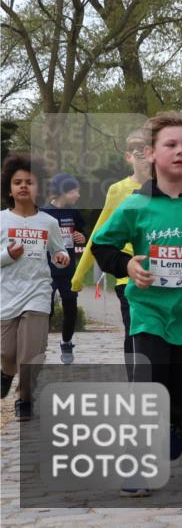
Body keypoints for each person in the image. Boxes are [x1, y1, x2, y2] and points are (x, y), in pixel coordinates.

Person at [90, 112, 182, 497]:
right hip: (149, 311)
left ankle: (175, 423)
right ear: (150, 153)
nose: (179, 151)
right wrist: (126, 264)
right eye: (170, 145)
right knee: (147, 381)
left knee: (181, 389)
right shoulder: (136, 204)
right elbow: (101, 245)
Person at [1, 155, 71, 420]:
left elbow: (58, 250)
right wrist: (8, 254)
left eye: (29, 182)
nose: (23, 186)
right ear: (9, 188)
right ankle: (6, 372)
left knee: (31, 355)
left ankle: (24, 398)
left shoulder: (48, 223)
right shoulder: (1, 221)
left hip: (38, 293)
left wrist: (61, 258)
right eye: (17, 182)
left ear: (38, 188)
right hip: (6, 295)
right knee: (7, 353)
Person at [72, 129, 150, 365]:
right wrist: (79, 275)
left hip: (161, 273)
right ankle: (137, 387)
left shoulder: (169, 189)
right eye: (138, 154)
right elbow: (99, 233)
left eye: (148, 152)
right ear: (129, 157)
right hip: (128, 275)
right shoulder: (117, 190)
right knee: (134, 332)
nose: (144, 158)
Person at [41, 173, 86, 364]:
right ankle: (38, 347)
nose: (77, 195)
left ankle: (66, 343)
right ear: (62, 192)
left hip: (69, 272)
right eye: (74, 191)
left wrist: (81, 237)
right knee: (46, 311)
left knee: (71, 308)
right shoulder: (42, 213)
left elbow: (83, 234)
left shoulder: (74, 213)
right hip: (47, 272)